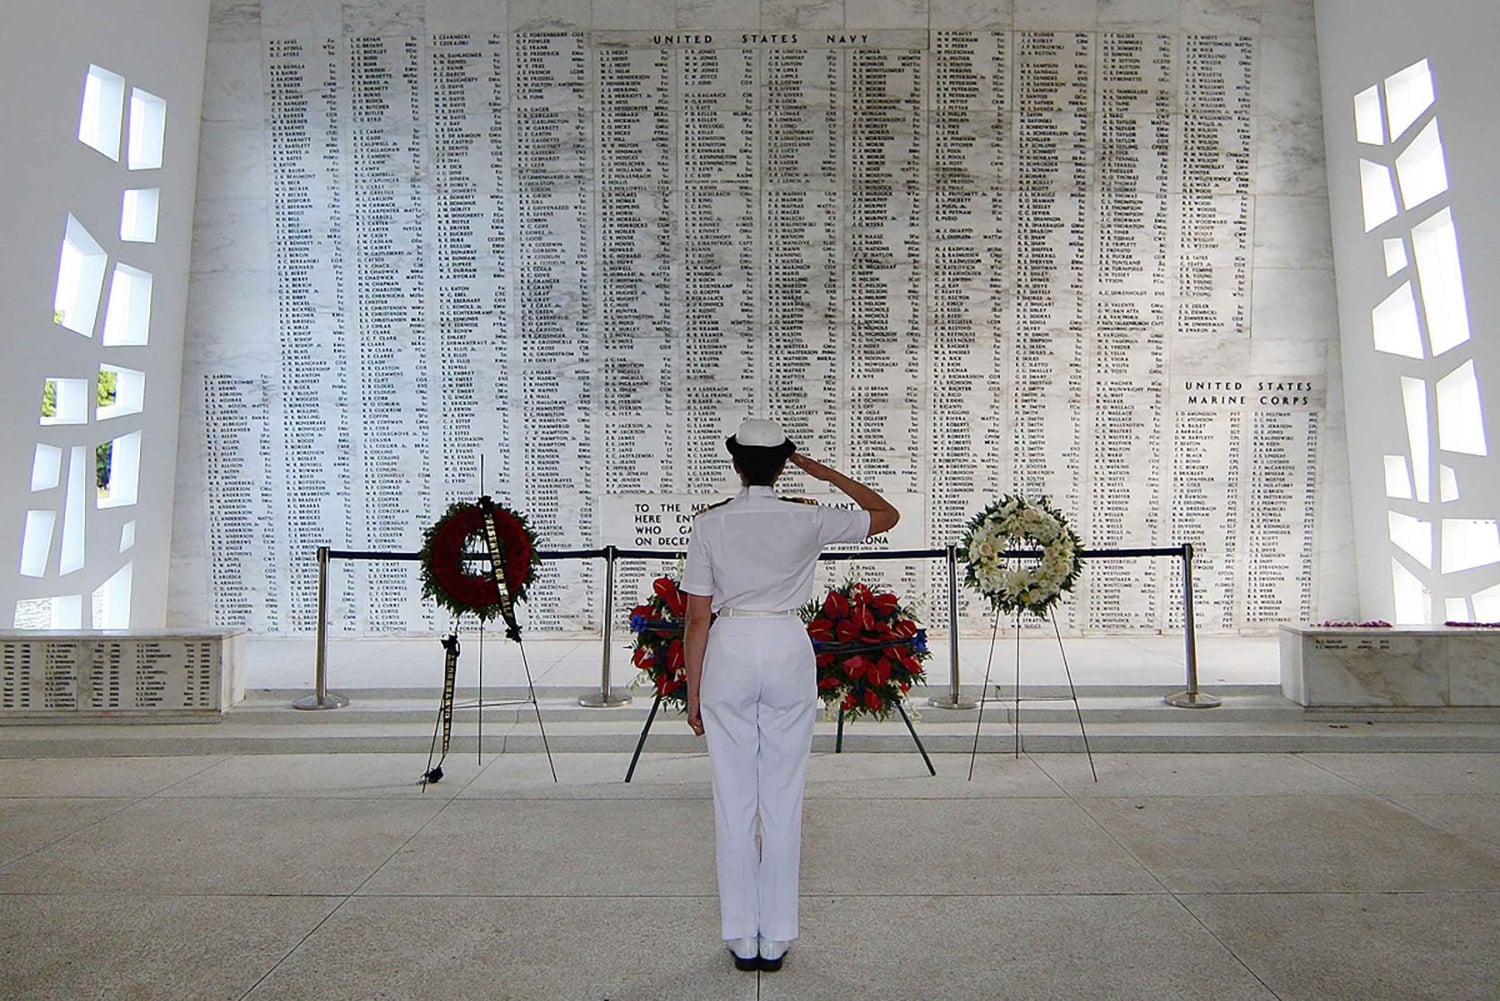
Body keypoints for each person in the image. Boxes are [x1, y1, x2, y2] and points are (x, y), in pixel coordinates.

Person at [680, 417, 899, 972]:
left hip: (729, 646)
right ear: (783, 465)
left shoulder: (711, 525)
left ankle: (740, 937)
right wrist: (818, 471)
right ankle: (775, 938)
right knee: (782, 798)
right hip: (784, 644)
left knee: (734, 800)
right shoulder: (806, 518)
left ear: (735, 465)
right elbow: (885, 515)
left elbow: (698, 618)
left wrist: (694, 690)